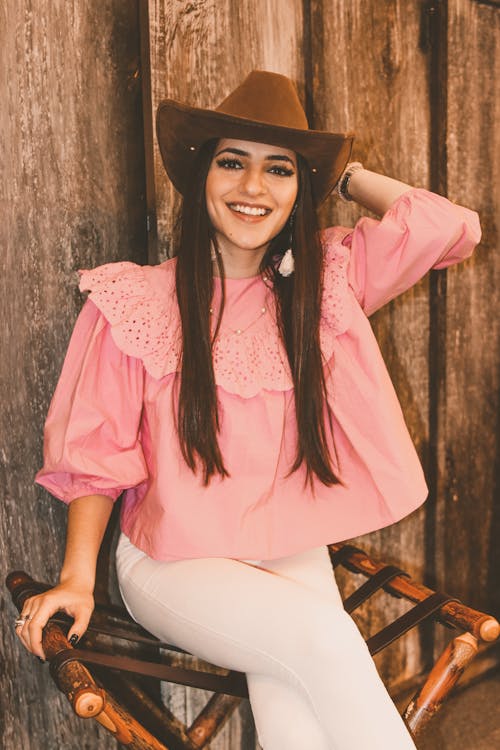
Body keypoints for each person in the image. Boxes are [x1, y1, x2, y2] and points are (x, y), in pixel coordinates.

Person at [15, 71, 480, 749]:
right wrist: (76, 580)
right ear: (202, 175)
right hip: (172, 562)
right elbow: (95, 457)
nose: (253, 189)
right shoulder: (136, 303)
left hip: (286, 542)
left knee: (297, 711)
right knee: (324, 638)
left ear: (300, 191)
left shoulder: (326, 284)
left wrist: (341, 176)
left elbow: (448, 226)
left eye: (280, 171)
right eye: (233, 162)